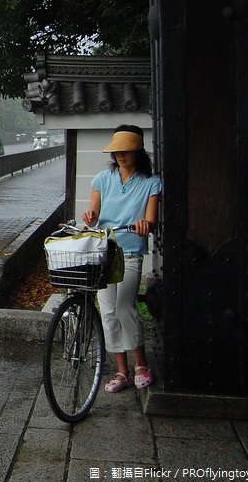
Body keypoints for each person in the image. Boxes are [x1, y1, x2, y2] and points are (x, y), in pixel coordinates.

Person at [81, 124, 161, 393]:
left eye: (126, 151)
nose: (121, 156)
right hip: (106, 249)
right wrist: (90, 218)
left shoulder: (151, 182)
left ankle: (141, 363)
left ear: (138, 151)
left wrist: (145, 225)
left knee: (125, 307)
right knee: (108, 311)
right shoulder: (103, 179)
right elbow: (93, 213)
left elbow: (151, 219)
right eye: (117, 151)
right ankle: (121, 370)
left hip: (130, 252)